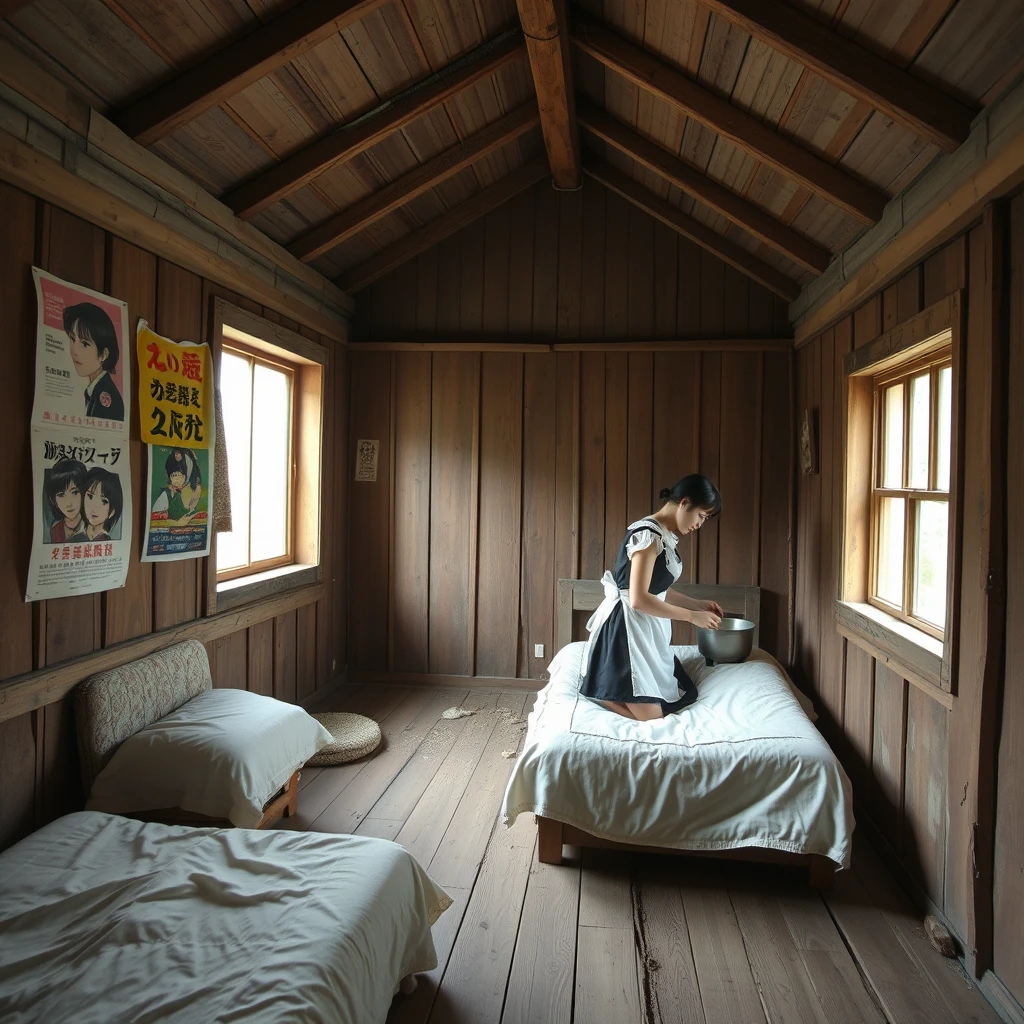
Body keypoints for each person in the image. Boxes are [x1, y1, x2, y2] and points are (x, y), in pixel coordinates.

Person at [578, 474, 723, 721]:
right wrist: (691, 617)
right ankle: (600, 691)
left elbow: (658, 590)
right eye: (701, 516)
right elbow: (638, 599)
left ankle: (607, 687)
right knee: (653, 716)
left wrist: (697, 604)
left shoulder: (663, 534)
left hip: (645, 628)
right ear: (684, 503)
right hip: (626, 630)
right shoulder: (647, 535)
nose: (700, 524)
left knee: (671, 698)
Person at [63, 302, 124, 422]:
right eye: (72, 339)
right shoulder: (95, 389)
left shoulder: (105, 398)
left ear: (104, 355)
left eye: (85, 344)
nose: (74, 350)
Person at [152, 448, 202, 526]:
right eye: (173, 475)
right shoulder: (167, 494)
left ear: (186, 476)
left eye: (179, 475)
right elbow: (153, 520)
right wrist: (177, 523)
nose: (176, 479)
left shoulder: (194, 491)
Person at [44, 458, 88, 543]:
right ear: (53, 500)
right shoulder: (55, 529)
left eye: (75, 492)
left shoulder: (91, 528)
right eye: (61, 495)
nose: (68, 503)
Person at [83, 467, 123, 542]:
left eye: (104, 501)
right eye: (90, 496)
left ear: (112, 511)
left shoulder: (105, 540)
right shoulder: (77, 535)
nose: (94, 507)